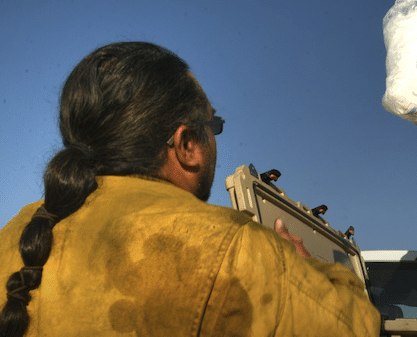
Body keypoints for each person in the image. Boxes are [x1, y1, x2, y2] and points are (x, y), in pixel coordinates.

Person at [0, 42, 380, 337]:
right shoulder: (235, 248)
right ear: (187, 145)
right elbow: (359, 328)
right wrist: (307, 266)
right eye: (212, 126)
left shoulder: (14, 235)